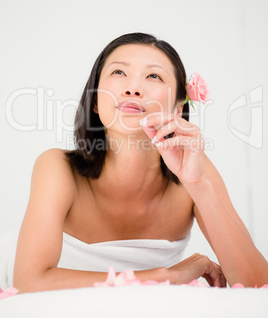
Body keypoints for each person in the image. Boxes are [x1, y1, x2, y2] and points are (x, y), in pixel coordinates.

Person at [13, 33, 268, 292]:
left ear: (178, 108)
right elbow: (30, 281)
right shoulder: (58, 167)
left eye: (154, 76)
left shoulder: (195, 169)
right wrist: (163, 275)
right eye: (119, 72)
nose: (132, 88)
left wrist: (198, 185)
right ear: (95, 103)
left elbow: (258, 285)